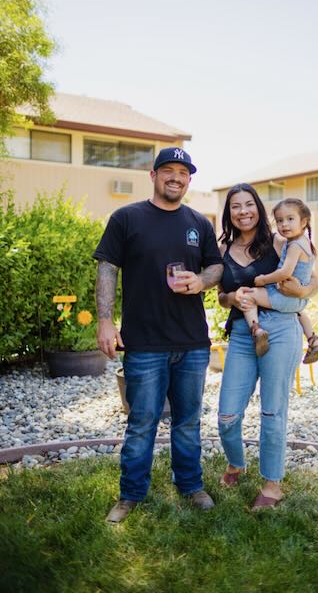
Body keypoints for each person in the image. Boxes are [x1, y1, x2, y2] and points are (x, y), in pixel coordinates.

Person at [93, 147, 223, 523]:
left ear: (189, 180)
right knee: (142, 422)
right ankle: (130, 494)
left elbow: (215, 266)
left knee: (188, 422)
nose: (176, 178)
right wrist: (105, 320)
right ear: (153, 174)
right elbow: (107, 268)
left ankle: (191, 485)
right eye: (168, 170)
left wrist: (200, 280)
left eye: (183, 173)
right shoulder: (126, 218)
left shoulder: (199, 222)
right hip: (144, 342)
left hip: (192, 343)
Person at [217, 183, 318, 510]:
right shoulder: (223, 251)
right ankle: (236, 462)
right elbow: (221, 296)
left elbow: (316, 277)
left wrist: (302, 292)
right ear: (229, 213)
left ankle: (272, 485)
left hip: (279, 329)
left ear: (259, 210)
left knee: (273, 410)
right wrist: (232, 297)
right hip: (243, 333)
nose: (243, 211)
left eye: (249, 204)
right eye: (236, 206)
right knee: (227, 415)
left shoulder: (278, 240)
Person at [241, 197, 318, 363]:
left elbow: (285, 272)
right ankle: (313, 340)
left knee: (247, 295)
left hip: (285, 297)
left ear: (304, 222)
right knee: (299, 312)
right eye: (279, 221)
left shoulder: (294, 246)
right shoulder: (305, 243)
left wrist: (263, 280)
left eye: (290, 219)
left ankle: (257, 331)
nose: (284, 224)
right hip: (299, 302)